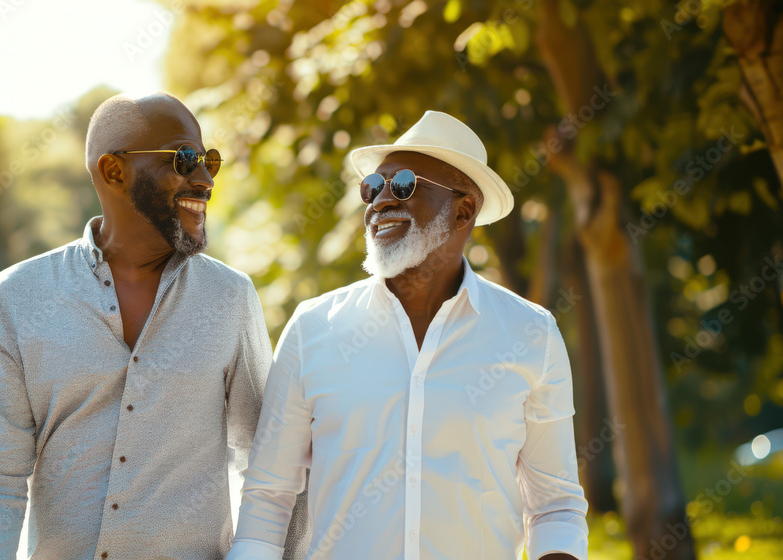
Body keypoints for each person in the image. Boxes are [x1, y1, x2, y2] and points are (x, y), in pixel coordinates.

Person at [227, 111, 588, 560]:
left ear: (464, 210)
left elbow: (555, 507)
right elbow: (267, 497)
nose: (379, 202)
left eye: (402, 185)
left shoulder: (531, 334)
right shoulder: (312, 329)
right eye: (372, 189)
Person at [0, 92, 307, 559]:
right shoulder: (17, 298)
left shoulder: (229, 298)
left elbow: (273, 463)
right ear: (113, 171)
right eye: (184, 160)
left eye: (210, 161)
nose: (204, 179)